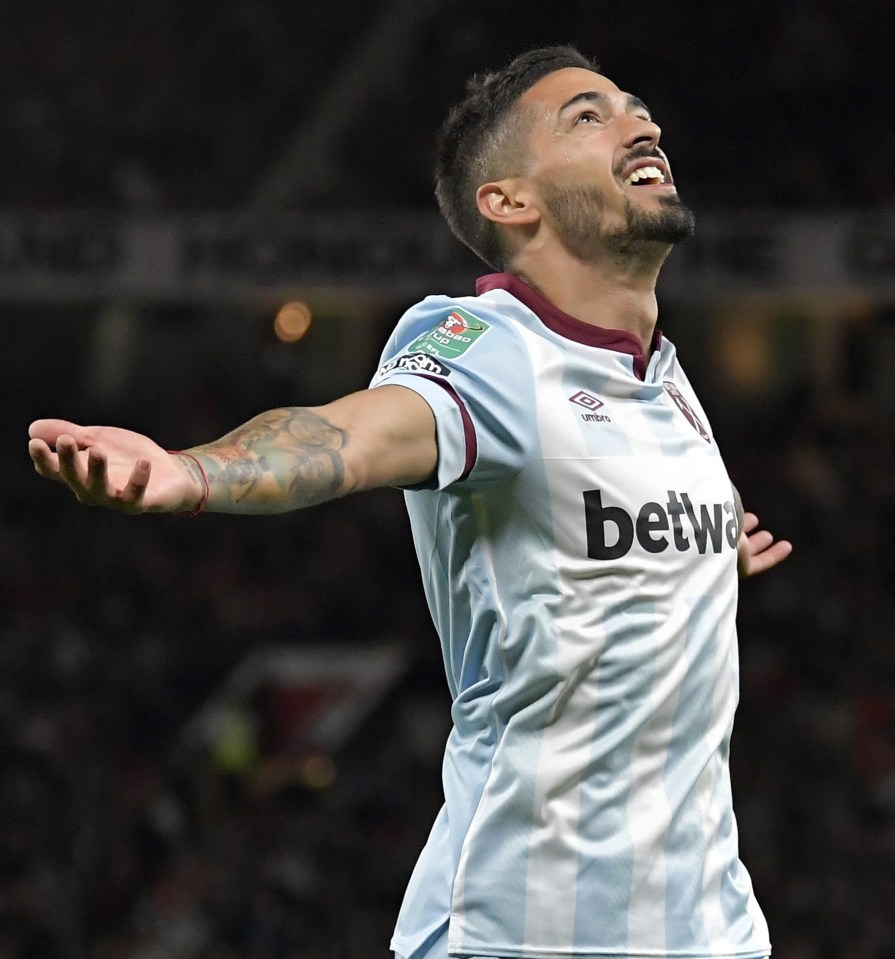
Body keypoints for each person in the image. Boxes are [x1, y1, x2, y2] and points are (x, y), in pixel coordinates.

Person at [29, 45, 791, 959]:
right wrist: (193, 473)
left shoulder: (662, 376)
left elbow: (602, 525)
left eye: (634, 105)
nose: (643, 123)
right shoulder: (487, 346)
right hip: (525, 935)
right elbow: (350, 434)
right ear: (510, 200)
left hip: (713, 932)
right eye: (587, 116)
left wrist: (705, 548)